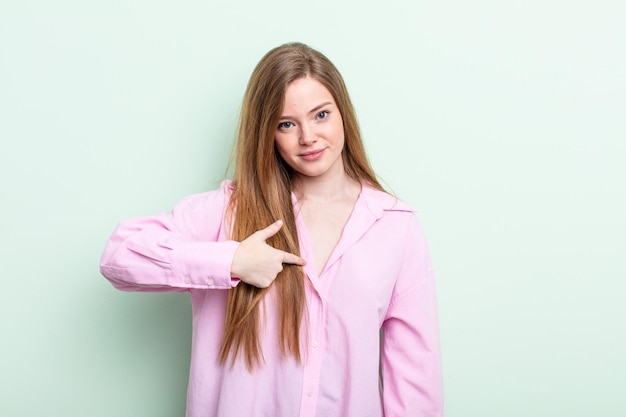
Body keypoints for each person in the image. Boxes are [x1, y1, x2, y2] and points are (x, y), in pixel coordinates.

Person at [100, 42, 443, 417]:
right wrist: (231, 260)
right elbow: (119, 255)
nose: (307, 136)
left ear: (344, 113)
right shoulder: (229, 210)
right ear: (268, 132)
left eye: (321, 115)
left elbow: (414, 383)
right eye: (286, 124)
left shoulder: (395, 226)